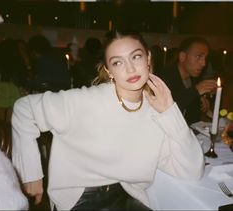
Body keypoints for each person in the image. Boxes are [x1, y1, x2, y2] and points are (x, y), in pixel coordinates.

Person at [11, 30, 204, 211]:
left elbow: (191, 171)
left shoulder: (156, 110)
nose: (130, 68)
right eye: (118, 62)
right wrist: (30, 173)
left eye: (136, 56)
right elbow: (24, 108)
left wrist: (170, 112)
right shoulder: (87, 101)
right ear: (109, 70)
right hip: (80, 198)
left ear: (148, 59)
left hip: (127, 195)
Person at [157, 36, 217, 125]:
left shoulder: (193, 79)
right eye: (198, 56)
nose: (204, 63)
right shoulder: (163, 78)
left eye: (205, 58)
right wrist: (195, 91)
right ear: (182, 56)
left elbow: (192, 116)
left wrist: (203, 99)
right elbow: (165, 111)